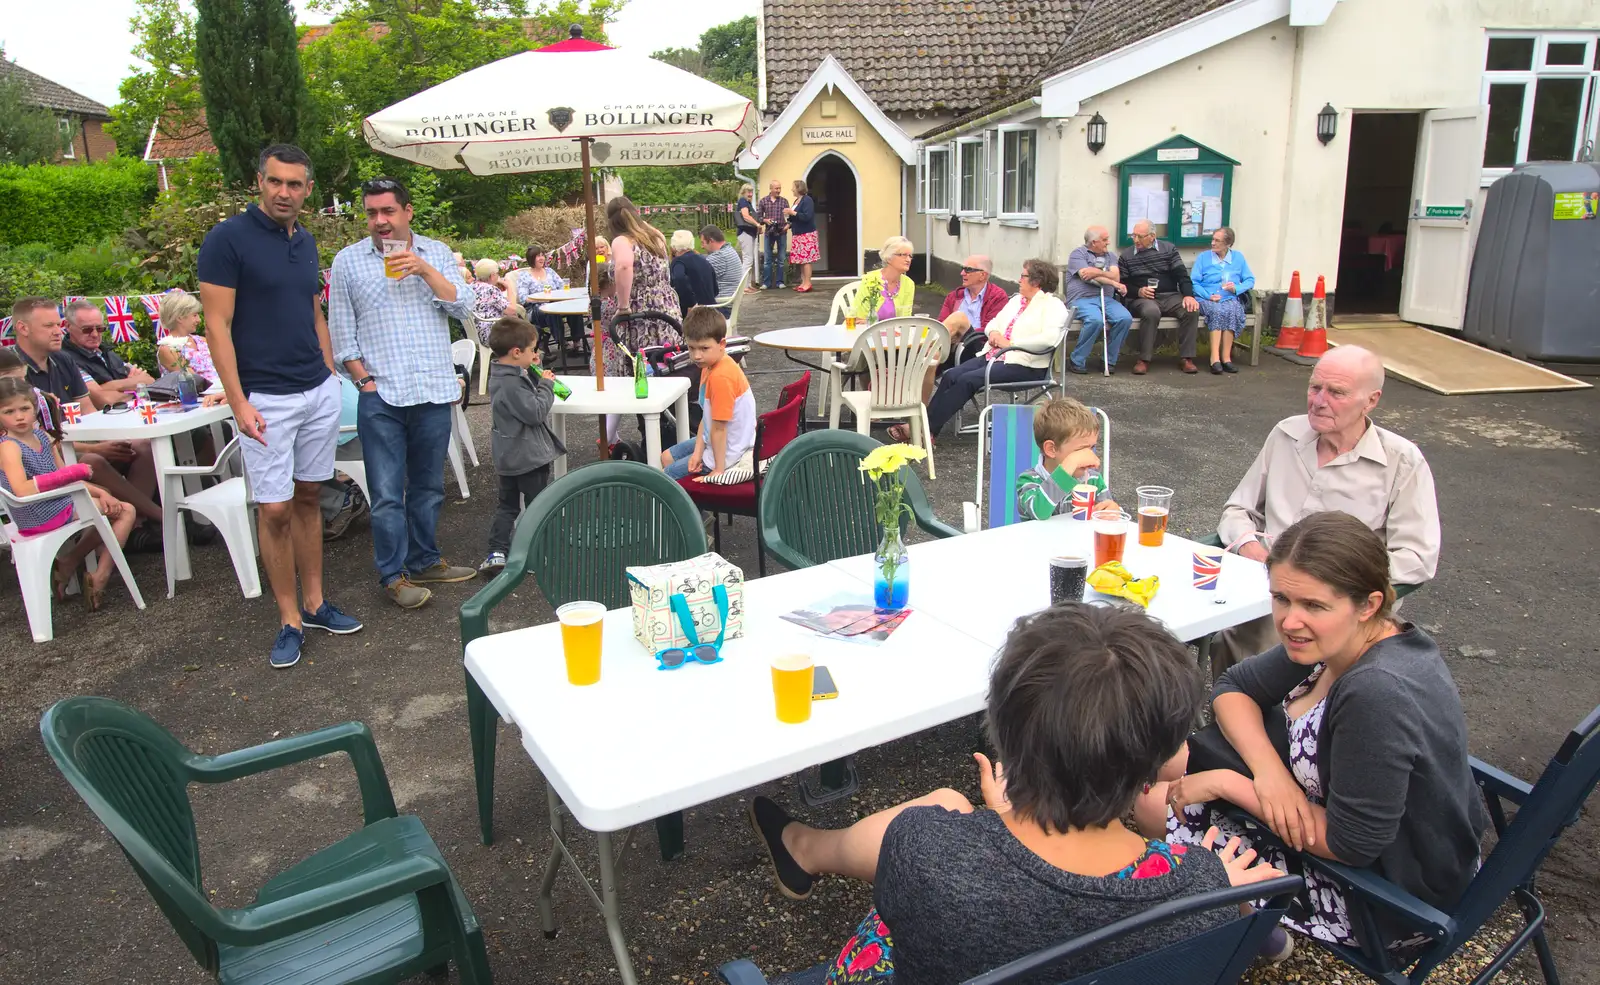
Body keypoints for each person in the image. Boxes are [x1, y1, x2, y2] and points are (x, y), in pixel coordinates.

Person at [747, 601, 1279, 985]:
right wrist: (1209, 883)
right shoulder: (1205, 895)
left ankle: (804, 847)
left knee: (946, 808)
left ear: (1004, 730)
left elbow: (1011, 902)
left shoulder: (926, 852)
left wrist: (999, 816)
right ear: (1159, 761)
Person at [1157, 512, 1486, 959]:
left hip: (1387, 899)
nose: (1289, 621)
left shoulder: (1375, 692)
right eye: (1280, 598)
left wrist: (1228, 782)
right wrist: (1270, 775)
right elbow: (1233, 688)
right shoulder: (1348, 638)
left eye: (1313, 605)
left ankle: (1252, 933)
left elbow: (1351, 845)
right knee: (1162, 766)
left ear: (1368, 604)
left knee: (1153, 804)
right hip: (1332, 809)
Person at [199, 143, 363, 669]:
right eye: (276, 182)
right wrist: (239, 400)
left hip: (315, 389)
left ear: (308, 189)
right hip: (264, 396)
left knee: (310, 495)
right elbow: (216, 325)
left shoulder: (306, 240)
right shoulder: (227, 240)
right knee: (274, 509)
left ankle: (315, 603)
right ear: (260, 180)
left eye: (295, 184)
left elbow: (313, 309)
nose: (284, 192)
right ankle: (288, 618)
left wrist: (330, 369)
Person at [1214, 344, 1440, 673]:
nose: (1319, 401)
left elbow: (1417, 556)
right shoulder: (1286, 435)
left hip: (1340, 608)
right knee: (1210, 633)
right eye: (1315, 387)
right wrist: (1249, 546)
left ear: (1371, 400)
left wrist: (1332, 581)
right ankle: (1236, 719)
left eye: (1336, 392)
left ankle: (1280, 720)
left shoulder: (1401, 461)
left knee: (1256, 648)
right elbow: (1238, 510)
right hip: (1264, 590)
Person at [329, 175, 479, 611]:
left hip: (431, 387)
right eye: (372, 212)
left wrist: (424, 269)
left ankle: (426, 558)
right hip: (383, 393)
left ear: (407, 211)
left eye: (388, 211)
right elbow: (341, 332)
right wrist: (364, 382)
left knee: (430, 486)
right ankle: (393, 576)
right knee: (388, 492)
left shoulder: (434, 253)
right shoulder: (348, 262)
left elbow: (462, 305)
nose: (379, 220)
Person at [8, 296, 164, 545]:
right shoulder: (11, 372)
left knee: (142, 447)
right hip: (38, 461)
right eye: (48, 326)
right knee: (94, 461)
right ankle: (164, 519)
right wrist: (95, 447)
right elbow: (32, 440)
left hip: (75, 445)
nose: (58, 332)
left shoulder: (62, 359)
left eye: (58, 324)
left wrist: (113, 441)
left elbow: (90, 411)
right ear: (23, 328)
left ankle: (135, 527)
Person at [0, 377, 136, 611]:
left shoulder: (42, 436)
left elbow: (66, 476)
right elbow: (22, 489)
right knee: (126, 512)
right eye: (9, 411)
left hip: (53, 502)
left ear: (35, 408)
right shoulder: (8, 446)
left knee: (109, 500)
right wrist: (73, 479)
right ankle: (99, 576)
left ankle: (69, 563)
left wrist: (100, 493)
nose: (19, 416)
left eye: (24, 408)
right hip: (36, 512)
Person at [921, 259, 1066, 442]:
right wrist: (995, 333)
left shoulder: (1053, 306)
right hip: (995, 355)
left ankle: (926, 431)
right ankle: (925, 427)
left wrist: (1010, 343)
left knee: (967, 380)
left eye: (1023, 276)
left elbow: (1049, 340)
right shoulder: (1016, 301)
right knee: (951, 375)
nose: (1019, 280)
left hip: (1026, 364)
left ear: (1036, 281)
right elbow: (992, 323)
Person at [600, 197, 689, 446]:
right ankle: (670, 430)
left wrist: (623, 305)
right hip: (666, 307)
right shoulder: (655, 234)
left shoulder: (622, 240)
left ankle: (652, 432)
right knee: (666, 363)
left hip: (641, 311)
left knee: (640, 368)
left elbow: (624, 266)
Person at [480, 315, 565, 574]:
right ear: (517, 352)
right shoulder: (513, 384)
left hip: (507, 457)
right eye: (532, 350)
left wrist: (529, 369)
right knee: (537, 505)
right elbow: (535, 412)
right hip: (528, 456)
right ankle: (533, 552)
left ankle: (497, 551)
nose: (536, 353)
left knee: (506, 506)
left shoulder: (501, 376)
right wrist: (546, 386)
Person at [660, 307, 755, 481]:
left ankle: (690, 504)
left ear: (722, 344)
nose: (697, 356)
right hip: (718, 440)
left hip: (730, 452)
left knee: (668, 477)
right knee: (666, 457)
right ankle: (693, 504)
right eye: (691, 348)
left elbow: (719, 429)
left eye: (704, 348)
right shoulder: (709, 365)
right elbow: (708, 416)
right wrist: (697, 452)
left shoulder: (721, 377)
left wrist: (718, 470)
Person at [1120, 219, 1201, 376]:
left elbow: (1182, 275)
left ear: (1152, 236)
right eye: (1133, 236)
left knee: (1191, 309)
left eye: (1140, 236)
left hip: (1170, 296)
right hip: (1143, 299)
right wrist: (1138, 291)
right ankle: (1144, 359)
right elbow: (1122, 285)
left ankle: (1186, 358)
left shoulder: (1168, 250)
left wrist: (1189, 296)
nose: (1135, 240)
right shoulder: (1126, 256)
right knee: (1151, 311)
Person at [1015, 397, 1117, 522]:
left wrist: (1113, 512)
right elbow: (1039, 511)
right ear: (1051, 449)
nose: (1089, 455)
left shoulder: (1093, 480)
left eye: (1092, 447)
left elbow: (1109, 518)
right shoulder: (1029, 481)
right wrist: (1071, 463)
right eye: (1081, 450)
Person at [1064, 226, 1134, 375]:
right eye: (1105, 240)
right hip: (1081, 299)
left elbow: (1115, 275)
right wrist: (1113, 283)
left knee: (1125, 318)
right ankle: (1077, 360)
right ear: (1094, 242)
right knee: (1095, 320)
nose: (1108, 242)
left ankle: (1108, 360)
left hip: (1106, 299)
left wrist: (1096, 271)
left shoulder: (1111, 256)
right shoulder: (1078, 254)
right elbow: (1086, 276)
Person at [59, 299, 154, 402]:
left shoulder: (107, 353)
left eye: (100, 329)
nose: (95, 334)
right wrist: (134, 384)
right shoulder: (66, 360)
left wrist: (111, 387)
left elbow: (150, 380)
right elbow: (105, 400)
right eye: (87, 329)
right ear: (68, 326)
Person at [1191, 227, 1256, 374]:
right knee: (1217, 310)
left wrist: (1237, 288)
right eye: (1212, 239)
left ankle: (1226, 358)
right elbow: (1194, 282)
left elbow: (1250, 279)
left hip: (1229, 297)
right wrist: (1208, 296)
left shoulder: (1238, 258)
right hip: (1206, 298)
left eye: (1217, 241)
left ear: (1228, 244)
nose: (1213, 243)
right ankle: (1214, 358)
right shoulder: (1203, 258)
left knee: (1232, 310)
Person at [319, 375, 369, 541]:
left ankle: (339, 502)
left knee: (280, 464)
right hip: (369, 424)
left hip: (349, 435)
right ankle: (340, 496)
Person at [937, 255, 1009, 361]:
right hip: (950, 344)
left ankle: (927, 348)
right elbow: (941, 323)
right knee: (933, 358)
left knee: (959, 318)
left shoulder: (997, 296)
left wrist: (960, 333)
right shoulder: (954, 296)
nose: (962, 273)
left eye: (968, 270)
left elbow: (991, 328)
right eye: (962, 269)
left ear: (983, 275)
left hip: (978, 344)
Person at [155, 292, 219, 384]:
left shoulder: (202, 341)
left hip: (220, 392)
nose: (199, 320)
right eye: (194, 315)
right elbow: (191, 379)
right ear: (180, 317)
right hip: (196, 395)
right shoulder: (167, 349)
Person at [853, 237, 916, 322]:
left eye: (910, 256)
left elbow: (905, 320)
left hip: (895, 334)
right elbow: (858, 318)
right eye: (903, 255)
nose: (908, 259)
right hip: (866, 332)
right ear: (889, 257)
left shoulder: (909, 284)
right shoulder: (870, 280)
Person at [668, 229, 719, 316]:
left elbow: (679, 278)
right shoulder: (704, 259)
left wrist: (690, 304)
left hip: (694, 315)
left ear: (673, 246)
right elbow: (715, 290)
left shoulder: (679, 262)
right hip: (711, 311)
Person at [785, 179, 818, 292]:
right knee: (801, 260)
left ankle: (808, 283)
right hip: (798, 234)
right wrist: (789, 220)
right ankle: (803, 282)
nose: (792, 189)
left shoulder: (807, 200)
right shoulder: (796, 201)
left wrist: (792, 213)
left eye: (793, 187)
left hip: (807, 234)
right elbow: (795, 217)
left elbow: (807, 216)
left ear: (799, 188)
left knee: (806, 260)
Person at [468, 258, 512, 344]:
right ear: (492, 275)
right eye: (497, 274)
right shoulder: (490, 289)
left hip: (475, 333)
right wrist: (509, 287)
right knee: (525, 332)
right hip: (491, 334)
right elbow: (511, 310)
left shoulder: (470, 287)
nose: (498, 276)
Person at [757, 179, 790, 290]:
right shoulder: (763, 201)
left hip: (781, 232)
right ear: (771, 189)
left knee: (781, 259)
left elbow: (789, 218)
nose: (778, 190)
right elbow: (759, 217)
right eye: (776, 188)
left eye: (779, 188)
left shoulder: (784, 201)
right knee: (767, 260)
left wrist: (788, 225)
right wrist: (765, 220)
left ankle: (780, 282)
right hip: (769, 233)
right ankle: (767, 283)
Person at [699, 225, 743, 303]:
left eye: (703, 243)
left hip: (721, 306)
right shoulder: (729, 250)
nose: (702, 247)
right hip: (729, 302)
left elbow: (698, 276)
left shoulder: (720, 256)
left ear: (711, 241)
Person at [734, 184, 762, 294]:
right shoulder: (743, 201)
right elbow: (745, 216)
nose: (750, 194)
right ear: (743, 192)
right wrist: (757, 224)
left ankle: (748, 285)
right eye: (748, 192)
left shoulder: (747, 202)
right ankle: (744, 287)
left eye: (751, 192)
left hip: (749, 234)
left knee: (749, 259)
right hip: (745, 233)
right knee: (747, 260)